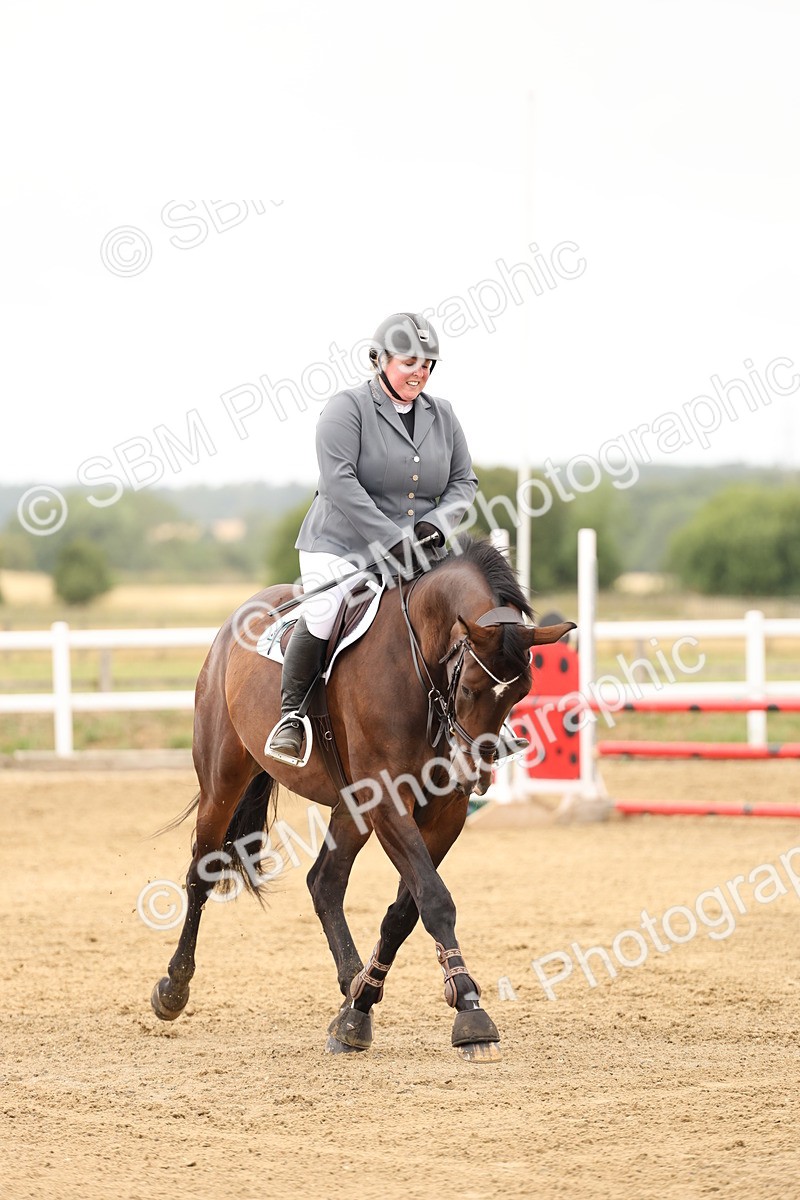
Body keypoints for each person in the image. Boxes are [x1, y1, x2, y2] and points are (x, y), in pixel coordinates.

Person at [265, 312, 479, 766]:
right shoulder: (347, 409)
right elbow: (339, 482)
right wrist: (391, 538)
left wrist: (435, 525)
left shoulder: (444, 416)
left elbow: (464, 483)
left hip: (419, 547)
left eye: (428, 364)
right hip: (342, 544)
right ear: (380, 360)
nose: (419, 372)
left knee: (463, 612)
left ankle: (472, 726)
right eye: (409, 362)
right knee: (325, 612)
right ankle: (291, 717)